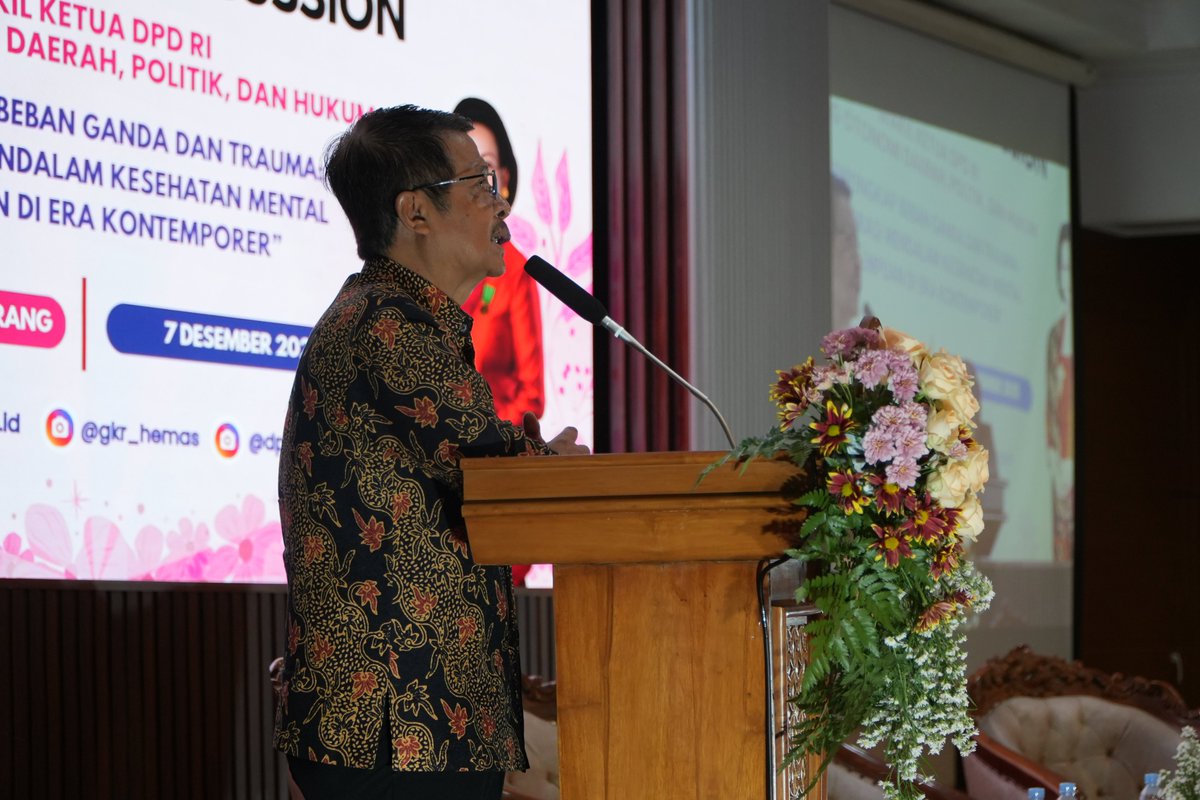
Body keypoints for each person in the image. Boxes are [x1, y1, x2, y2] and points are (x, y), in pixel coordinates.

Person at [272, 104, 589, 800]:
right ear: (415, 212)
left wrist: (534, 459)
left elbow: (472, 465)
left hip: (410, 725)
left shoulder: (392, 315)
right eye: (480, 187)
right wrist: (555, 466)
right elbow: (498, 473)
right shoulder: (392, 324)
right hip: (396, 727)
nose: (500, 206)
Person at [454, 97, 545, 430]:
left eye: (486, 173)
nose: (478, 188)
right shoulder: (427, 276)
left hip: (495, 456)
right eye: (465, 176)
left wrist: (482, 430)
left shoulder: (517, 272)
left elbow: (531, 397)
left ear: (504, 179)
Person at [1046, 222, 1074, 562]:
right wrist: (1054, 460)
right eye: (1062, 268)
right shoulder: (1054, 336)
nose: (1068, 276)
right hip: (1058, 468)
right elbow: (1050, 410)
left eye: (1072, 268)